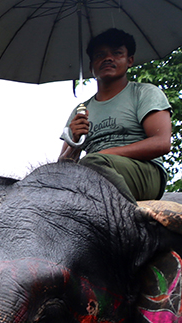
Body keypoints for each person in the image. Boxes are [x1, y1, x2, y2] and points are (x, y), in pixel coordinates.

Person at [59, 28, 172, 202]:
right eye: (99, 55)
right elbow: (62, 166)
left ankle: (127, 216)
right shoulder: (80, 110)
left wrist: (107, 154)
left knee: (92, 164)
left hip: (144, 173)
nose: (108, 58)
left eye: (117, 53)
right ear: (91, 66)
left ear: (130, 60)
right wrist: (74, 141)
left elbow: (162, 143)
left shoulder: (144, 93)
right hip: (92, 174)